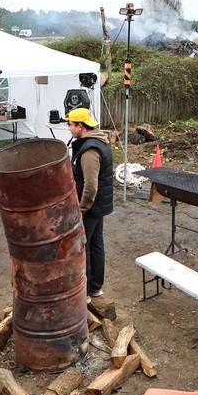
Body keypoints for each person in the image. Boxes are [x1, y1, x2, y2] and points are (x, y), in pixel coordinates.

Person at [66, 107, 113, 297]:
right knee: (95, 243)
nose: (69, 128)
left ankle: (85, 291)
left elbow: (91, 185)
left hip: (91, 207)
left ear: (80, 126)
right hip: (98, 205)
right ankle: (95, 287)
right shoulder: (95, 142)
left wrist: (81, 209)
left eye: (71, 125)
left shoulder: (90, 151)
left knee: (83, 247)